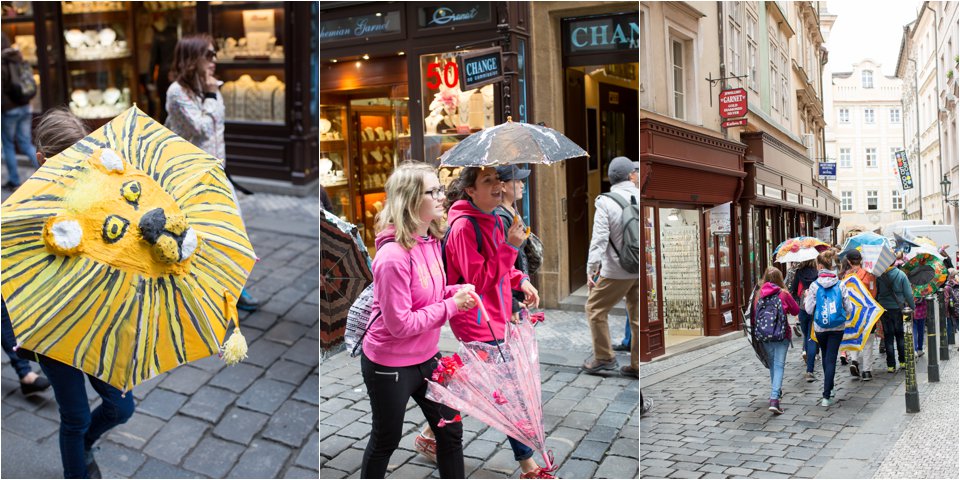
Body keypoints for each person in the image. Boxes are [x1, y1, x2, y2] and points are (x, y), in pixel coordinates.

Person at [15, 107, 134, 479]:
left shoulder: (97, 196)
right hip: (53, 332)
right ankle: (76, 468)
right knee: (76, 417)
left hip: (99, 322)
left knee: (122, 407)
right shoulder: (22, 212)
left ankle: (86, 443)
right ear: (41, 160)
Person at [360, 162, 475, 479]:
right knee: (386, 439)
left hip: (428, 356)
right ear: (410, 199)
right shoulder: (392, 257)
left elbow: (428, 293)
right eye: (432, 191)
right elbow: (400, 324)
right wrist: (451, 306)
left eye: (440, 189)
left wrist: (454, 291)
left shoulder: (430, 241)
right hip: (390, 364)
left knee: (450, 431)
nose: (442, 197)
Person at [441, 166, 550, 479]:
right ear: (470, 190)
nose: (498, 186)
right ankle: (528, 466)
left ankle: (431, 431)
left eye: (499, 180)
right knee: (508, 389)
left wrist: (520, 280)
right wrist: (511, 247)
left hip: (496, 314)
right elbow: (476, 280)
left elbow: (500, 266)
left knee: (475, 381)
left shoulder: (493, 218)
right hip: (477, 319)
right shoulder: (463, 226)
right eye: (487, 181)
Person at [165, 33, 260, 312]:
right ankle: (203, 289)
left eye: (214, 53)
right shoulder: (176, 93)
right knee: (198, 236)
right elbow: (201, 129)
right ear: (192, 58)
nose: (214, 60)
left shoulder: (212, 87)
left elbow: (219, 128)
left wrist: (209, 91)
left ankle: (235, 286)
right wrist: (208, 94)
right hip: (190, 177)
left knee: (233, 231)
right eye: (208, 55)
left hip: (218, 172)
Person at [582, 156, 640, 378]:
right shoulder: (640, 196)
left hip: (617, 269)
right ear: (631, 175)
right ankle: (637, 364)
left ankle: (604, 357)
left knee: (594, 309)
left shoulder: (605, 202)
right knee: (637, 316)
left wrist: (592, 270)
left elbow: (599, 239)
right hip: (640, 268)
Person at [803, 250, 853, 407]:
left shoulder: (814, 286)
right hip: (837, 326)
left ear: (819, 266)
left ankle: (828, 390)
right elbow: (849, 308)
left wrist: (807, 297)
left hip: (820, 326)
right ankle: (827, 393)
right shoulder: (840, 284)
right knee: (831, 358)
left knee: (826, 356)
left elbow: (809, 310)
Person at [754, 267, 800, 414]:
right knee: (779, 366)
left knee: (774, 365)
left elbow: (754, 314)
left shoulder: (759, 295)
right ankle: (774, 399)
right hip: (781, 335)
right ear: (780, 279)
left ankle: (776, 391)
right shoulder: (783, 294)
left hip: (764, 335)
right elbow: (796, 310)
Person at [493, 165, 531, 322]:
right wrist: (512, 301)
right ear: (502, 186)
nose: (522, 184)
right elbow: (501, 264)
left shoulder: (512, 210)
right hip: (511, 291)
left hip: (518, 283)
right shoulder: (500, 217)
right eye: (517, 181)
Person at [1, 33, 38, 190]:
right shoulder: (18, 57)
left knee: (8, 145)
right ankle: (46, 171)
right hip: (26, 106)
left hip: (9, 110)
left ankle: (14, 181)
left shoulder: (2, 63)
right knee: (26, 143)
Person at [842, 250, 878, 381]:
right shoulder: (869, 275)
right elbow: (873, 294)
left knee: (854, 337)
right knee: (868, 341)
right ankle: (867, 371)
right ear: (860, 260)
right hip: (867, 313)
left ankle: (854, 361)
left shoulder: (846, 277)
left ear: (849, 261)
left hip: (852, 313)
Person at [876, 258, 915, 373]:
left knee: (888, 337)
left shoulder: (879, 276)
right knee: (900, 335)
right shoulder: (901, 274)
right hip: (898, 308)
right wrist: (912, 307)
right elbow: (908, 293)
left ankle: (890, 365)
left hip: (884, 309)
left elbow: (876, 293)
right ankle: (902, 362)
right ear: (894, 262)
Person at [787, 259, 819, 382]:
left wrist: (799, 298)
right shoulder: (817, 273)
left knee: (806, 335)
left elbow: (793, 290)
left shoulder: (799, 272)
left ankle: (805, 351)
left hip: (803, 308)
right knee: (812, 337)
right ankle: (810, 370)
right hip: (815, 308)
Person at [912, 293, 927, 357]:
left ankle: (915, 350)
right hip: (922, 312)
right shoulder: (923, 289)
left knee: (914, 331)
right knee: (921, 331)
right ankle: (920, 349)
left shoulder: (911, 288)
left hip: (913, 312)